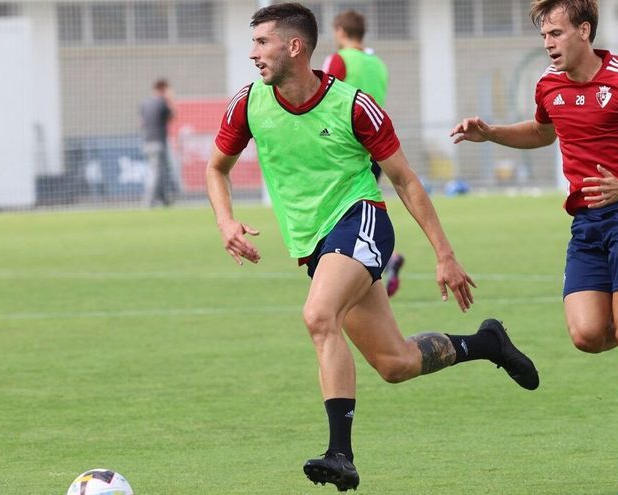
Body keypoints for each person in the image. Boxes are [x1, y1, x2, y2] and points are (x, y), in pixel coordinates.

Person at [205, 3, 539, 492]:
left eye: (261, 43)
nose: (252, 53)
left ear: (294, 47)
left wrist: (444, 254)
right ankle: (486, 343)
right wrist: (225, 220)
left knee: (320, 316)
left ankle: (340, 453)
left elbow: (404, 180)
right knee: (395, 364)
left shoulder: (354, 105)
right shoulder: (247, 104)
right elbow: (217, 168)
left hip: (361, 218)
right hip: (315, 244)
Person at [451, 1, 618, 493]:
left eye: (556, 32)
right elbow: (542, 131)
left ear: (584, 30)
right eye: (544, 35)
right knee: (585, 334)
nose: (549, 42)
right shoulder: (548, 85)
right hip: (585, 224)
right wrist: (491, 133)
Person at [322, 9, 405, 296]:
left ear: (340, 32)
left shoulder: (338, 60)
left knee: (340, 213)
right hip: (375, 147)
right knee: (363, 207)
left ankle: (376, 265)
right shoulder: (379, 64)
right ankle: (384, 261)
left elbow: (325, 99)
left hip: (346, 149)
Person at [140, 78, 176, 207]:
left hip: (147, 141)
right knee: (156, 172)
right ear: (163, 90)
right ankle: (148, 202)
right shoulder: (161, 103)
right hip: (158, 142)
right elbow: (172, 116)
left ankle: (164, 199)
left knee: (160, 171)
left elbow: (141, 123)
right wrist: (170, 100)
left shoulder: (144, 103)